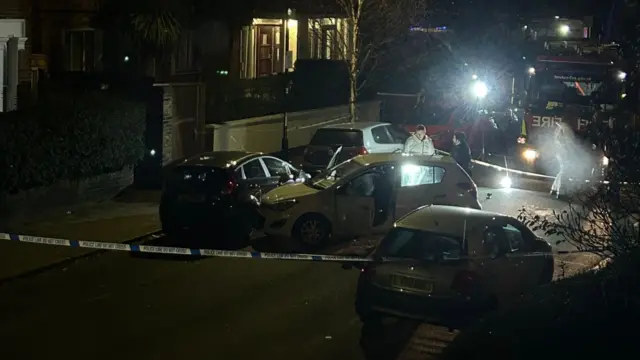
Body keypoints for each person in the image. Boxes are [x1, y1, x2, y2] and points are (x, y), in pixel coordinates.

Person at [550, 124, 565, 198]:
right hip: (562, 154)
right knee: (564, 171)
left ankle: (554, 189)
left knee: (562, 171)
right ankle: (560, 191)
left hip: (560, 154)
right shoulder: (561, 131)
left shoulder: (559, 131)